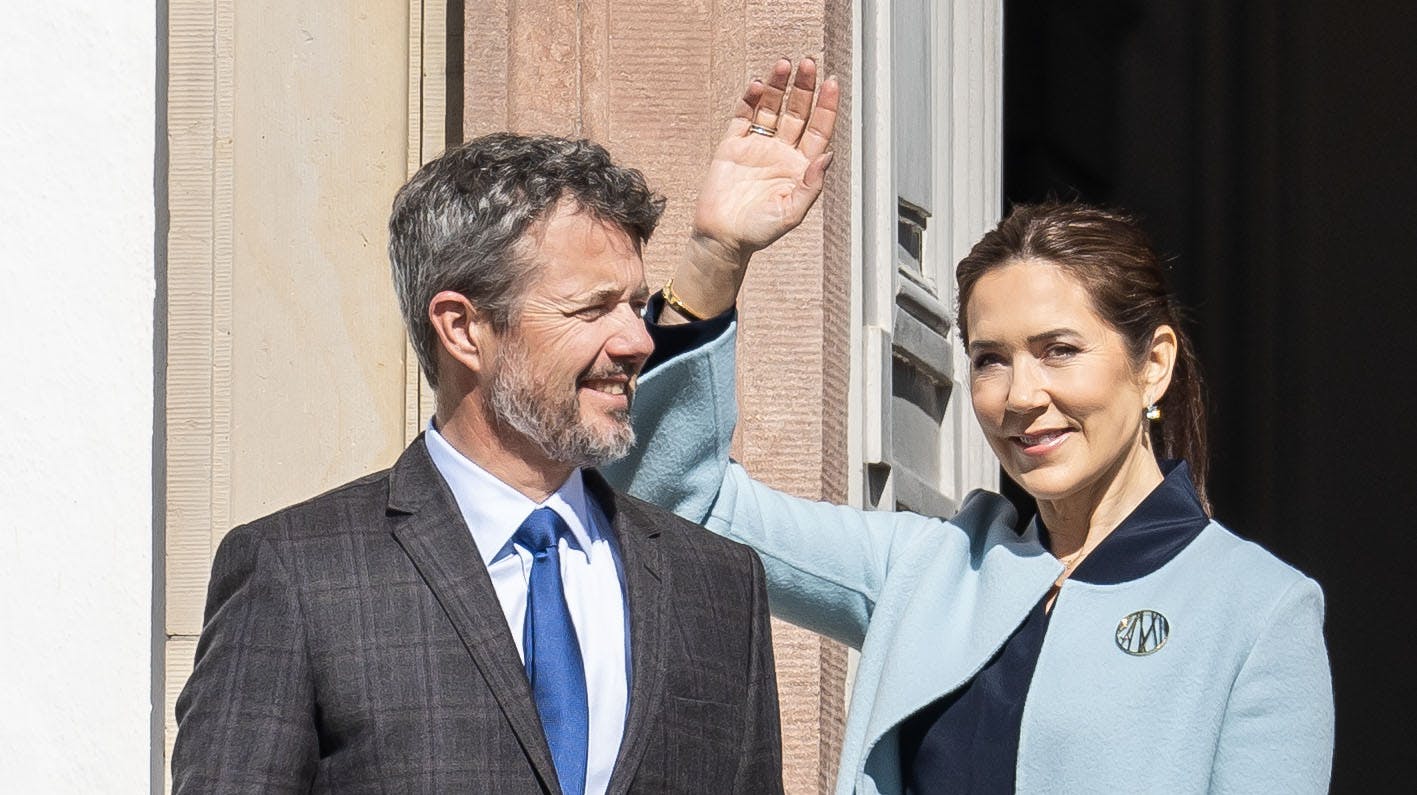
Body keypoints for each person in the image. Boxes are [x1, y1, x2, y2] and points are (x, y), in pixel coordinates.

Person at [604, 58, 1334, 793]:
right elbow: (678, 505)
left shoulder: (1259, 609)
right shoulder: (928, 570)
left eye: (1058, 351)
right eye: (990, 359)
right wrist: (714, 256)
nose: (1020, 395)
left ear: (1153, 365)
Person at [172, 133, 783, 794]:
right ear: (463, 327)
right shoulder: (299, 573)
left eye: (634, 305)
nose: (637, 339)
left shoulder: (718, 586)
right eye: (590, 308)